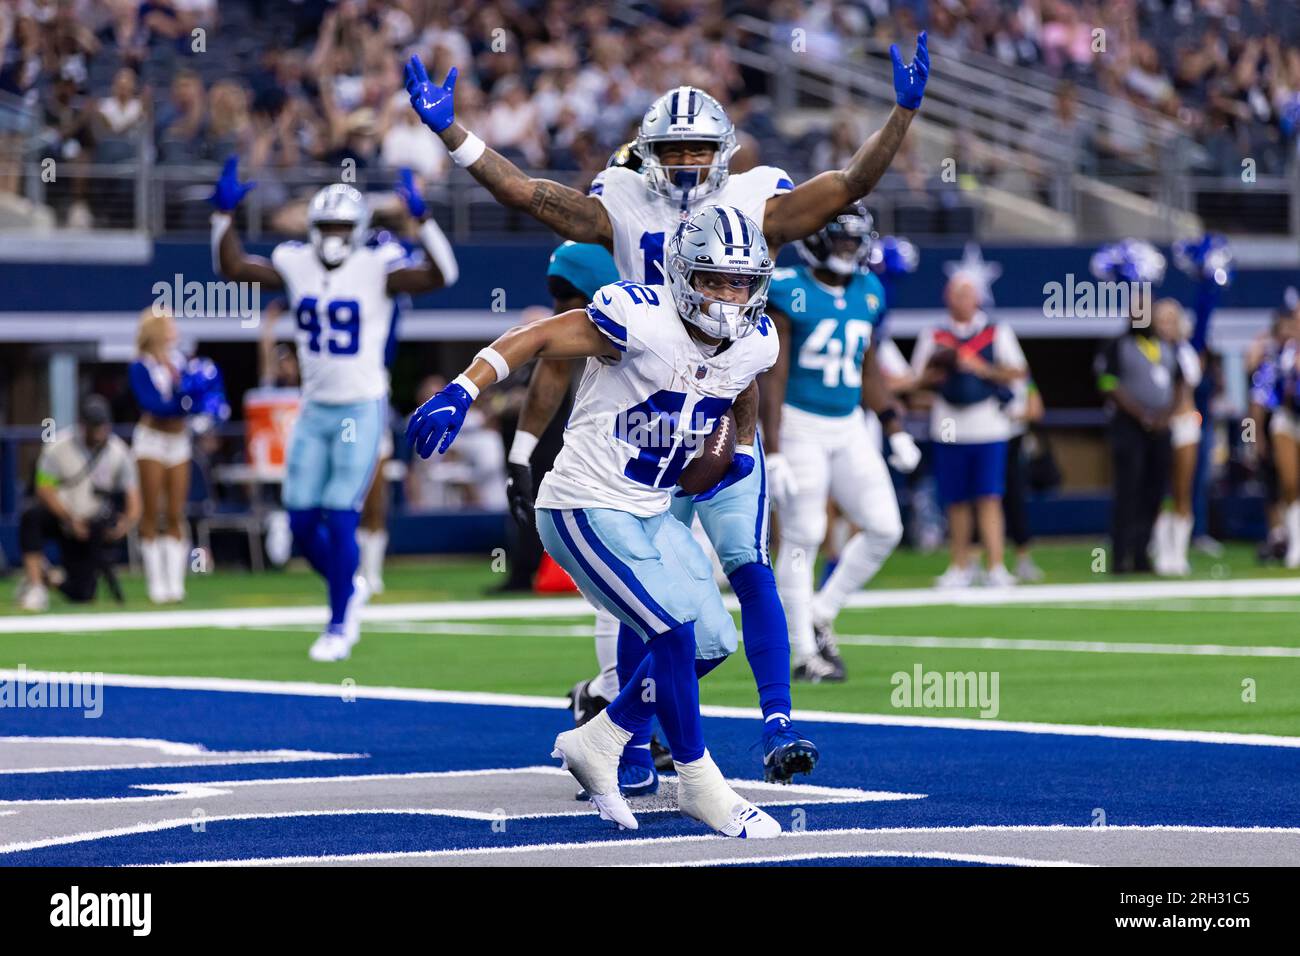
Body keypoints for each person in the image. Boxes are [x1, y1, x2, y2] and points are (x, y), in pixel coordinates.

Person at [405, 39, 929, 782]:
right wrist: (454, 136)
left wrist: (903, 114)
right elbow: (527, 193)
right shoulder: (621, 201)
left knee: (750, 566)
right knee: (644, 601)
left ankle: (772, 722)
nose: (685, 162)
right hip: (637, 411)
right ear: (647, 151)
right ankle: (625, 728)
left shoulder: (753, 197)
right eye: (673, 148)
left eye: (698, 148)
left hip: (723, 396)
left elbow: (845, 185)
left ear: (724, 152)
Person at [407, 205, 783, 838]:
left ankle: (602, 738)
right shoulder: (640, 318)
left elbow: (739, 382)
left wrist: (741, 450)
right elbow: (539, 339)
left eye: (741, 282)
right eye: (715, 280)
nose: (729, 295)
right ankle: (697, 781)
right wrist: (463, 389)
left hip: (651, 508)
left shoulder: (756, 340)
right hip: (583, 501)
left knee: (714, 641)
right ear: (684, 277)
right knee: (672, 633)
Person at [211, 158, 457, 661]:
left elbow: (443, 274)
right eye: (326, 226)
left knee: (341, 513)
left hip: (361, 407)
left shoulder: (377, 268)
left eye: (342, 226)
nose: (333, 235)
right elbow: (232, 267)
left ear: (361, 229)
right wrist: (222, 217)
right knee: (300, 522)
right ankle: (349, 586)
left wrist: (424, 218)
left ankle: (340, 622)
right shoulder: (295, 261)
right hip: (315, 407)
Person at [760, 204, 920, 683]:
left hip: (848, 424)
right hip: (799, 424)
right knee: (804, 534)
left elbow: (867, 368)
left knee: (885, 527)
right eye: (841, 239)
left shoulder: (869, 291)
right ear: (816, 239)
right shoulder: (789, 289)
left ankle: (820, 612)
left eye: (855, 240)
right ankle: (804, 653)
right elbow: (774, 374)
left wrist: (893, 426)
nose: (849, 248)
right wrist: (773, 446)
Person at [911, 271, 1028, 587]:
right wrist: (939, 370)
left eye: (967, 294)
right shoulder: (934, 335)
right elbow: (916, 378)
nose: (962, 301)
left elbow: (1018, 370)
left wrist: (981, 368)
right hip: (949, 423)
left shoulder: (995, 331)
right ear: (947, 298)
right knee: (956, 498)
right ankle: (960, 565)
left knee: (989, 495)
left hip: (988, 423)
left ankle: (995, 565)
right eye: (956, 294)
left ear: (977, 298)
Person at [18, 396, 140, 612]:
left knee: (82, 594)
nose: (99, 431)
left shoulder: (118, 452)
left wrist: (126, 522)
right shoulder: (57, 447)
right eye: (94, 426)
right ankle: (35, 586)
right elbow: (44, 488)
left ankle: (48, 576)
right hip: (61, 514)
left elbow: (133, 496)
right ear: (82, 425)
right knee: (31, 517)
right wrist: (69, 518)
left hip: (91, 524)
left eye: (102, 425)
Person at [1095, 299, 1187, 574]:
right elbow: (1107, 383)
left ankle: (1142, 553)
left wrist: (1166, 415)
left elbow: (1180, 382)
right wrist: (1140, 413)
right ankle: (1120, 555)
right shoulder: (1118, 345)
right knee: (1128, 490)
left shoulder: (1165, 345)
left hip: (1160, 428)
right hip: (1128, 427)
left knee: (1155, 490)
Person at [129, 308, 196, 603]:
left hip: (178, 440)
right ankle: (156, 583)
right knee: (151, 510)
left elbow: (194, 397)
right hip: (152, 440)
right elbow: (152, 403)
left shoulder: (181, 363)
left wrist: (200, 404)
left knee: (175, 511)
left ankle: (175, 583)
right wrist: (184, 405)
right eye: (169, 324)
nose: (174, 329)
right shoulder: (140, 366)